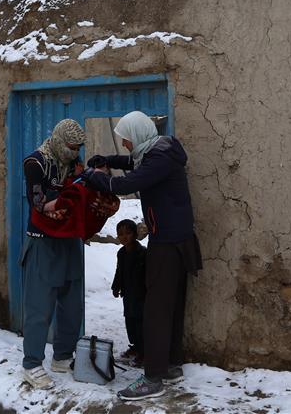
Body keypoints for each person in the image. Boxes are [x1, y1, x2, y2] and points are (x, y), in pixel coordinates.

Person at [82, 111, 202, 401]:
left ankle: (152, 377)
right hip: (178, 238)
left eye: (126, 140)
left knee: (155, 311)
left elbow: (126, 184)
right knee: (170, 306)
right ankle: (170, 364)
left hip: (167, 243)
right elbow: (131, 162)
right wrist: (107, 161)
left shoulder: (158, 160)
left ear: (137, 135)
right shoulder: (160, 149)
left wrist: (94, 177)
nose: (125, 145)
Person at [20, 118, 87, 390]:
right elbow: (38, 203)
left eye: (77, 147)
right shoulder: (35, 163)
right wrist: (67, 198)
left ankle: (62, 355)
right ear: (59, 142)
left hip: (68, 240)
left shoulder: (73, 162)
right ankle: (32, 364)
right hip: (43, 241)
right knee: (39, 305)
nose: (74, 152)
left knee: (72, 303)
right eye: (70, 147)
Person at [112, 219, 147, 367]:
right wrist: (116, 286)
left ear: (135, 234)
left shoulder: (142, 253)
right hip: (128, 293)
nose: (124, 237)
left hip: (141, 294)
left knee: (140, 322)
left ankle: (144, 351)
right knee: (130, 320)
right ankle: (136, 347)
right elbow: (119, 271)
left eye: (128, 233)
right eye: (120, 234)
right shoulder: (121, 253)